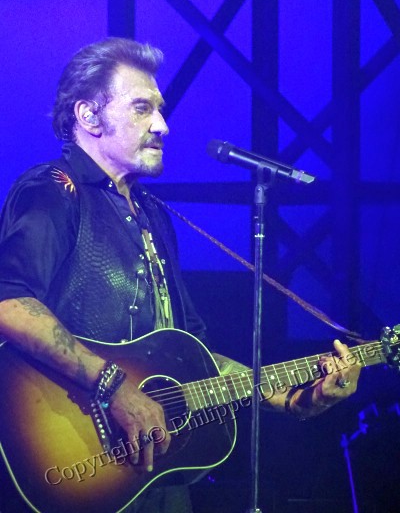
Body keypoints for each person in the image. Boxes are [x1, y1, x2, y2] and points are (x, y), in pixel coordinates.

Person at [0, 37, 361, 513]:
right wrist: (114, 387)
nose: (162, 125)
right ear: (88, 116)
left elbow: (195, 357)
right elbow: (10, 303)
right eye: (142, 108)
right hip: (75, 453)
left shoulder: (152, 214)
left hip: (153, 471)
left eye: (160, 110)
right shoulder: (53, 190)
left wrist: (293, 398)